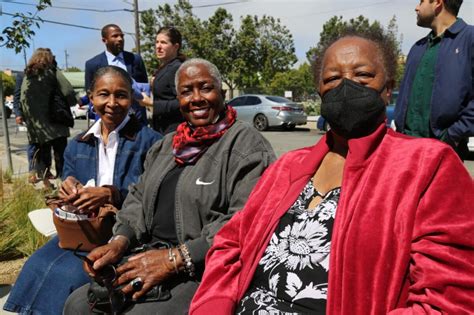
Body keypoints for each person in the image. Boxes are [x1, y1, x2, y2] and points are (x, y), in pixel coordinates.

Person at [190, 30, 474, 314]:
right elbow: (231, 243)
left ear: (388, 88)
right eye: (332, 79)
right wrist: (214, 304)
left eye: (362, 74)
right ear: (320, 92)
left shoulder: (428, 164)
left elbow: (449, 300)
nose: (347, 85)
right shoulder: (288, 166)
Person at [64, 58, 276, 314]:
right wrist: (118, 241)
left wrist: (174, 259)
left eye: (205, 88)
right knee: (78, 305)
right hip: (148, 255)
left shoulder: (246, 146)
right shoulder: (167, 145)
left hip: (201, 268)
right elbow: (137, 199)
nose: (196, 98)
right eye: (187, 91)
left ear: (222, 93)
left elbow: (244, 219)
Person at [3, 66, 161, 315]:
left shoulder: (151, 142)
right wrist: (69, 188)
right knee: (36, 265)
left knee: (70, 275)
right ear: (91, 96)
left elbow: (152, 197)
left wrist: (111, 194)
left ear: (131, 98)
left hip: (123, 234)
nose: (112, 103)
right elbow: (68, 178)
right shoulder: (78, 144)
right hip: (81, 230)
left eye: (121, 95)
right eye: (103, 94)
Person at [394, 0, 473, 160]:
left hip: (443, 154)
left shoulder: (469, 39)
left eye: (421, 1)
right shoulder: (417, 47)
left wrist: (451, 136)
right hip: (405, 152)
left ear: (437, 3)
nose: (416, 7)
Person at [18, 48, 76, 183]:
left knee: (42, 156)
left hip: (36, 126)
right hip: (56, 122)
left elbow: (22, 99)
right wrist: (72, 102)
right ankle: (63, 183)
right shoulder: (52, 71)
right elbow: (68, 92)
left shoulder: (27, 76)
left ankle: (46, 184)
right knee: (60, 154)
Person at [85, 24, 149, 126]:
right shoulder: (93, 64)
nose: (120, 39)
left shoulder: (135, 60)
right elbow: (90, 93)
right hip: (109, 119)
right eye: (115, 36)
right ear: (104, 40)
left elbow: (145, 88)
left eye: (122, 36)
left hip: (136, 119)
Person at [139, 26, 186, 134]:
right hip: (162, 129)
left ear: (176, 47)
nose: (158, 47)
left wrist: (151, 103)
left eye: (164, 43)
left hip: (174, 131)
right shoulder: (165, 67)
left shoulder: (176, 68)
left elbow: (182, 102)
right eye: (157, 42)